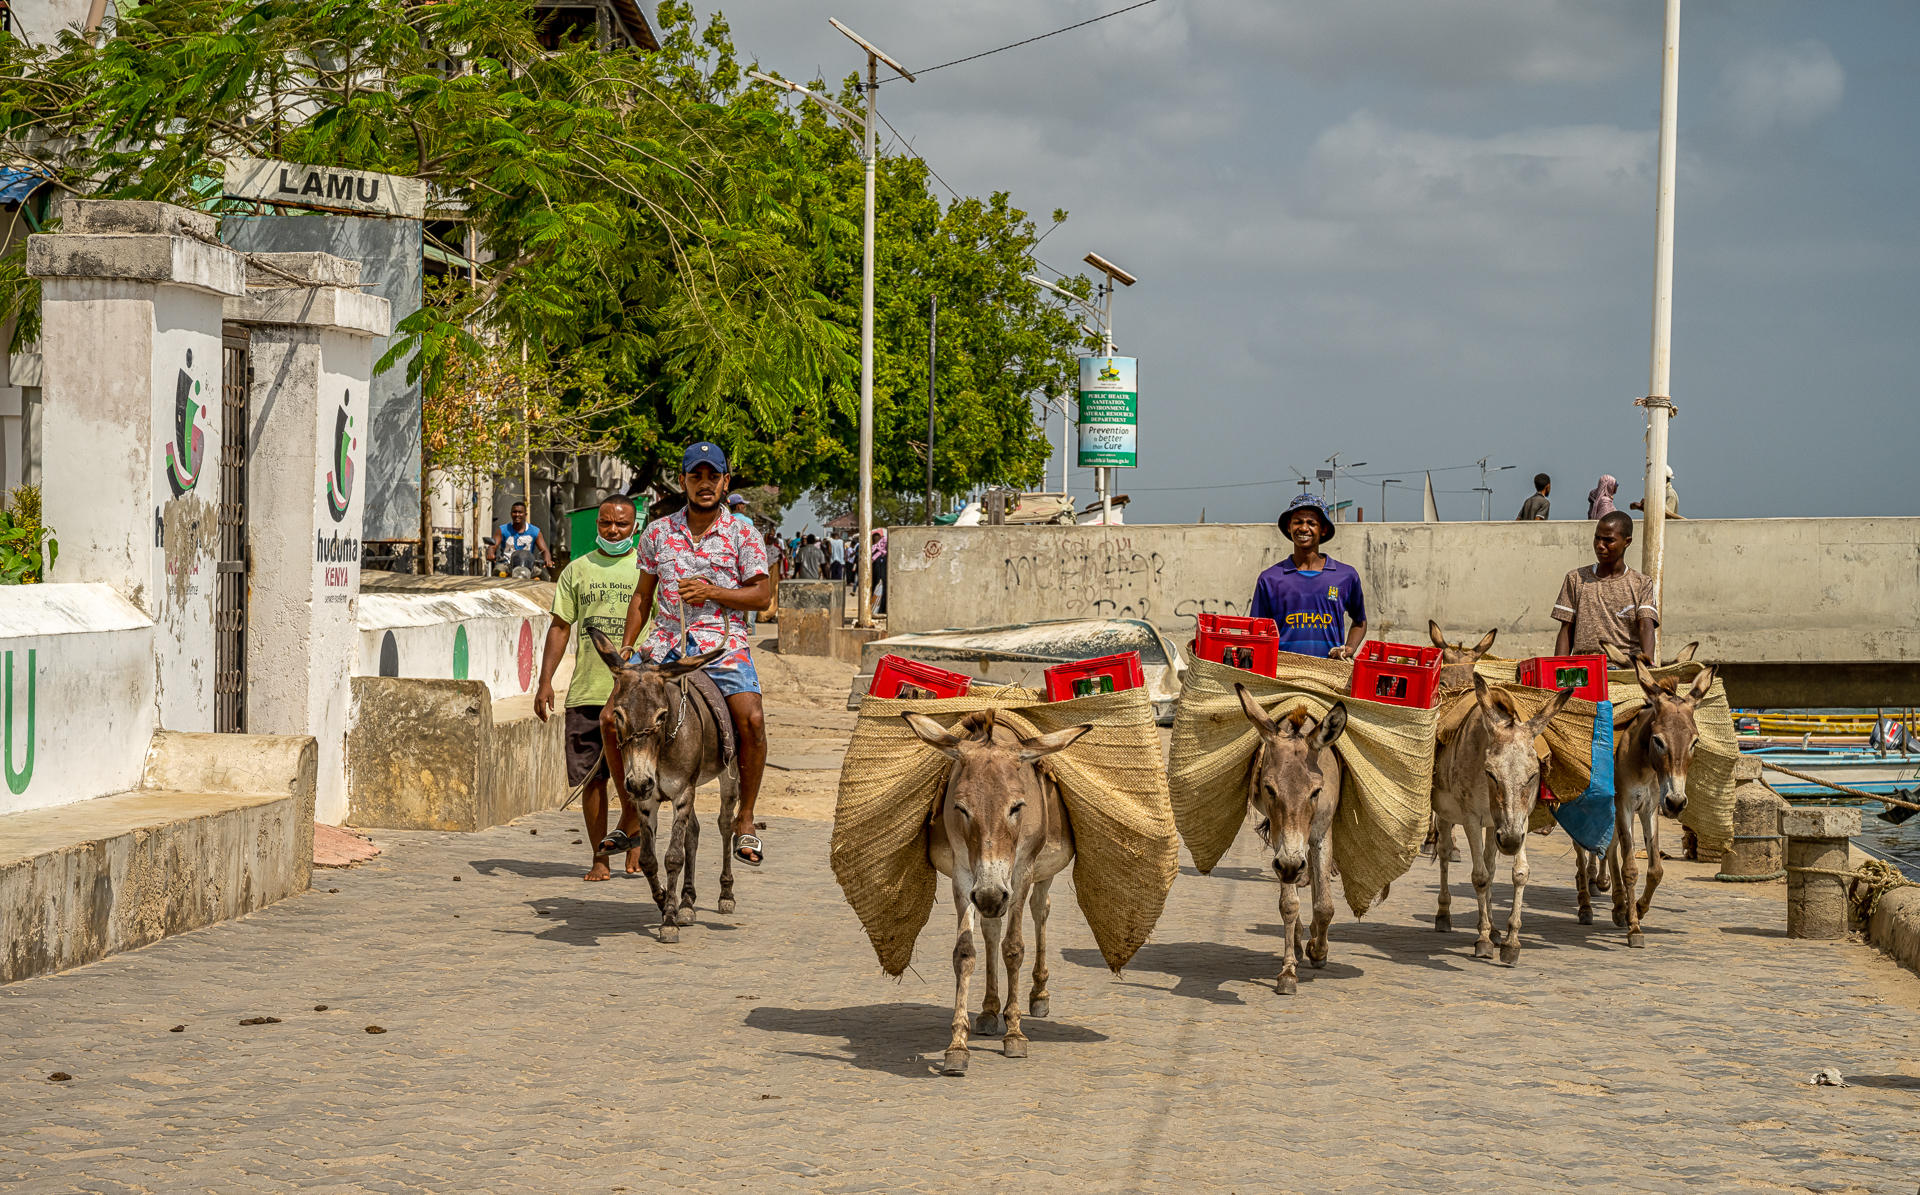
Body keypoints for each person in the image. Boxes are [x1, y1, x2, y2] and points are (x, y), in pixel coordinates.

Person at [619, 442, 773, 867]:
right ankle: (630, 814)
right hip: (664, 640)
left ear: (725, 482)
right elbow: (641, 596)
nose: (704, 484)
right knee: (611, 715)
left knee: (753, 719)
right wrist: (630, 646)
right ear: (684, 481)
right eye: (695, 476)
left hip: (721, 643)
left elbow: (762, 595)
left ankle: (745, 817)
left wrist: (712, 592)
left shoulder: (744, 533)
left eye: (712, 476)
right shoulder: (657, 532)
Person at [533, 494, 643, 881]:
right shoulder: (576, 571)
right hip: (586, 692)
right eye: (606, 524)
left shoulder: (647, 572)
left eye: (621, 524)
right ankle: (600, 856)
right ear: (598, 525)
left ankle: (634, 840)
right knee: (591, 780)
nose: (613, 531)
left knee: (637, 776)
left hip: (635, 696)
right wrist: (545, 681)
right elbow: (561, 627)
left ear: (635, 525)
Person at [1250, 493, 1367, 660]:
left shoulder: (1346, 576)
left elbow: (1359, 621)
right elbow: (1257, 630)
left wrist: (1349, 648)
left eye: (1311, 523)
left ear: (1323, 529)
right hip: (1282, 675)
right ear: (1289, 527)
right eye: (1298, 522)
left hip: (1329, 674)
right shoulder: (1269, 579)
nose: (1304, 528)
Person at [1552, 510, 1659, 659]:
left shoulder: (1641, 583)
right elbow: (1566, 630)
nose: (1600, 545)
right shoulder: (1576, 579)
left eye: (1608, 540)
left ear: (1627, 542)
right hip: (1585, 667)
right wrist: (1558, 669)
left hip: (1625, 668)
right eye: (1597, 538)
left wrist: (1647, 665)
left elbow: (1646, 625)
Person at [490, 501, 552, 575]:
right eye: (514, 512)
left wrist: (547, 559)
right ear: (511, 514)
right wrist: (490, 552)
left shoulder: (535, 531)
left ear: (525, 514)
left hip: (528, 566)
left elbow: (544, 550)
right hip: (507, 564)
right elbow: (493, 545)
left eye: (520, 512)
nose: (517, 515)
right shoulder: (502, 530)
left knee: (544, 575)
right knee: (497, 572)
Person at [871, 527, 889, 615]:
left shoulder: (872, 551)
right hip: (882, 579)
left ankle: (876, 610)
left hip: (875, 579)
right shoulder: (885, 553)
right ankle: (881, 609)